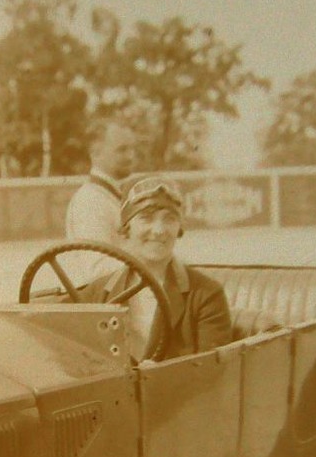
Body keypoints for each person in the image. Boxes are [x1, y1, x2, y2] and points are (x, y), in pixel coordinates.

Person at [78, 175, 232, 362]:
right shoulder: (97, 292)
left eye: (169, 219)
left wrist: (159, 377)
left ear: (179, 227)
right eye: (146, 218)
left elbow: (214, 374)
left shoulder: (206, 295)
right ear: (127, 227)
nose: (159, 230)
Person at [64, 119, 138, 282]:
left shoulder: (110, 195)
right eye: (122, 150)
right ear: (95, 153)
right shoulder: (90, 201)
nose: (131, 156)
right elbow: (97, 270)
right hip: (99, 302)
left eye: (132, 149)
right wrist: (151, 265)